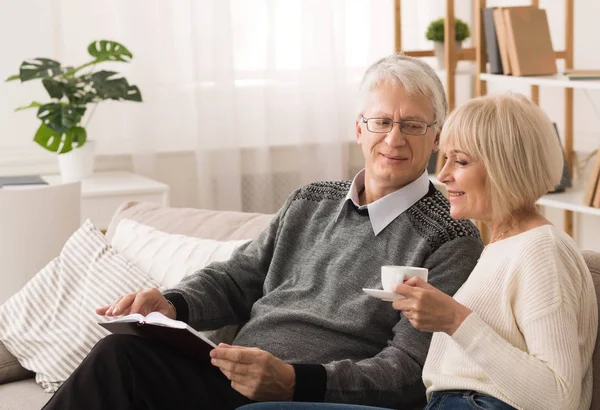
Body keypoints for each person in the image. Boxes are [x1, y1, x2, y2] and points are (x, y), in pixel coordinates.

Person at [42, 54, 483, 410]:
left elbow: (409, 369)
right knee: (119, 357)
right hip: (227, 377)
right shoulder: (310, 201)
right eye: (382, 122)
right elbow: (237, 279)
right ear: (358, 129)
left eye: (413, 125)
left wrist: (294, 382)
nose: (394, 138)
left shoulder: (451, 234)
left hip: (304, 399)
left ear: (437, 137)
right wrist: (172, 303)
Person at [238, 94, 599, 410]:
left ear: (505, 168)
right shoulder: (501, 247)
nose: (442, 175)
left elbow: (559, 397)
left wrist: (455, 320)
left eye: (460, 161)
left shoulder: (542, 251)